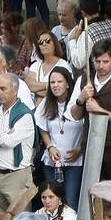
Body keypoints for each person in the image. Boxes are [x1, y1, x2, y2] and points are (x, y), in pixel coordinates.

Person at [72, 41, 111, 182]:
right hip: (90, 148)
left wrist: (99, 110)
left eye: (105, 61)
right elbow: (74, 115)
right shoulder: (83, 80)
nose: (101, 66)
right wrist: (80, 99)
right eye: (97, 61)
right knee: (92, 194)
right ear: (92, 60)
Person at [0, 72, 36, 212]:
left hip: (17, 177)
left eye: (3, 88)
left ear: (15, 90)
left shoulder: (24, 114)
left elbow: (9, 142)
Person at [35, 66, 83, 209]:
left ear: (68, 83)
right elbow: (42, 127)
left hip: (74, 161)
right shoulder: (46, 103)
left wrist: (80, 149)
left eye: (59, 82)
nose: (55, 85)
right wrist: (49, 146)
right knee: (53, 201)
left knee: (70, 201)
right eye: (52, 82)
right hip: (53, 163)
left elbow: (88, 129)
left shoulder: (78, 103)